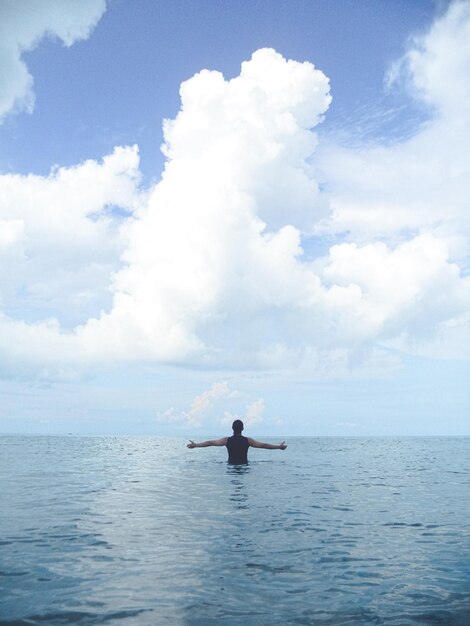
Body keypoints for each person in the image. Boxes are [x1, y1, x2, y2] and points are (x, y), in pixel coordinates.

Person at [187, 419, 287, 464]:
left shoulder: (227, 440)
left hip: (230, 466)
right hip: (244, 466)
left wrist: (195, 445)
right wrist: (279, 447)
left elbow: (210, 443)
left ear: (232, 428)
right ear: (242, 429)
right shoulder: (248, 441)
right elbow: (263, 445)